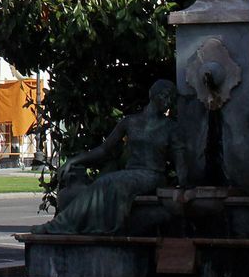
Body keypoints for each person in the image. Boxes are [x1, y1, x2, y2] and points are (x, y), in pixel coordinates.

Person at [34, 79, 188, 235]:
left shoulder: (171, 128)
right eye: (165, 95)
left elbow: (180, 160)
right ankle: (61, 225)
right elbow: (104, 150)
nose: (168, 101)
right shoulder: (130, 122)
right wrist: (74, 160)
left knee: (110, 183)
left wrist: (184, 184)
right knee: (104, 182)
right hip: (130, 174)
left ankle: (62, 225)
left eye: (171, 98)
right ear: (152, 95)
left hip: (153, 175)